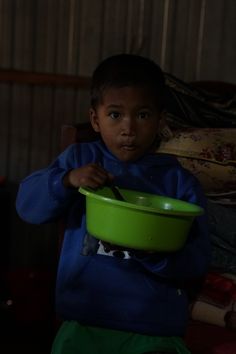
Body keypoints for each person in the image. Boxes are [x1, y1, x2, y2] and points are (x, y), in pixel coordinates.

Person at [16, 54, 211, 354]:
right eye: (115, 114)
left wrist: (157, 253)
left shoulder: (178, 183)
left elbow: (197, 260)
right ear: (95, 119)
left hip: (153, 326)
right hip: (85, 318)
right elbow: (27, 206)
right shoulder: (80, 160)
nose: (128, 128)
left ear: (161, 121)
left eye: (143, 115)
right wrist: (67, 180)